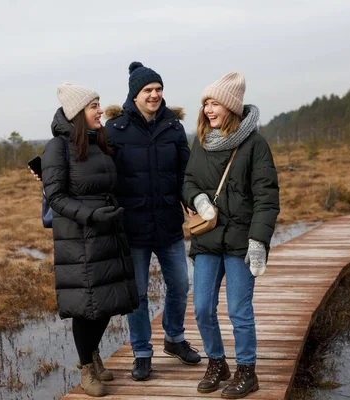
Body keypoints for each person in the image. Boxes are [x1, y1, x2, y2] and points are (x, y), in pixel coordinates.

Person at [182, 72, 280, 398]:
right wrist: (197, 200)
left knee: (239, 311)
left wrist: (259, 242)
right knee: (202, 308)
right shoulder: (202, 141)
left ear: (232, 107)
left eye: (216, 103)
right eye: (206, 103)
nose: (209, 109)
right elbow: (188, 181)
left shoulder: (255, 144)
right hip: (208, 240)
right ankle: (217, 362)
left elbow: (267, 197)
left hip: (241, 241)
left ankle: (246, 371)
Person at [41, 82, 139, 397]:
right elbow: (55, 196)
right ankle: (86, 368)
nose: (100, 110)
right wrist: (90, 215)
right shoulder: (57, 147)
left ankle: (94, 356)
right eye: (94, 105)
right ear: (77, 113)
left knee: (107, 301)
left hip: (108, 232)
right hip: (80, 237)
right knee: (88, 306)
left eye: (99, 104)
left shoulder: (97, 142)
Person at [105, 62, 200, 381]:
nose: (155, 94)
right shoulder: (115, 130)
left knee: (181, 285)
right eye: (148, 90)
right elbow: (96, 172)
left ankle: (174, 339)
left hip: (169, 224)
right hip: (132, 229)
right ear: (135, 95)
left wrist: (193, 201)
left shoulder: (173, 127)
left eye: (158, 89)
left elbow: (186, 173)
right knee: (139, 294)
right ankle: (142, 354)